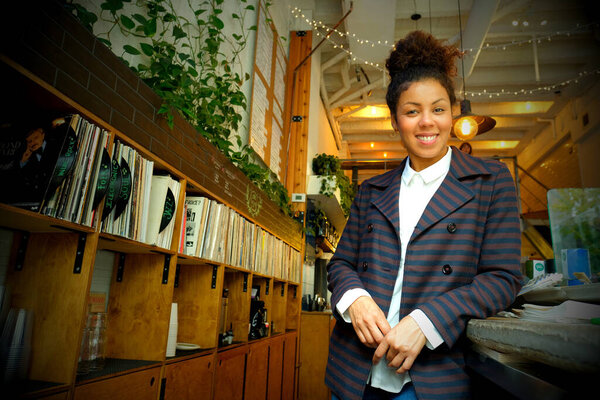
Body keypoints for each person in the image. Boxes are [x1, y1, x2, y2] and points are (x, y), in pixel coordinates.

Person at [325, 31, 522, 400]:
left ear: (452, 114)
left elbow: (503, 277)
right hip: (354, 373)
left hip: (432, 378)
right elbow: (340, 264)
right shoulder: (372, 189)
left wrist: (427, 321)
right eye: (412, 111)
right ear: (396, 121)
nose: (427, 122)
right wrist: (355, 299)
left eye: (438, 109)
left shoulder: (491, 181)